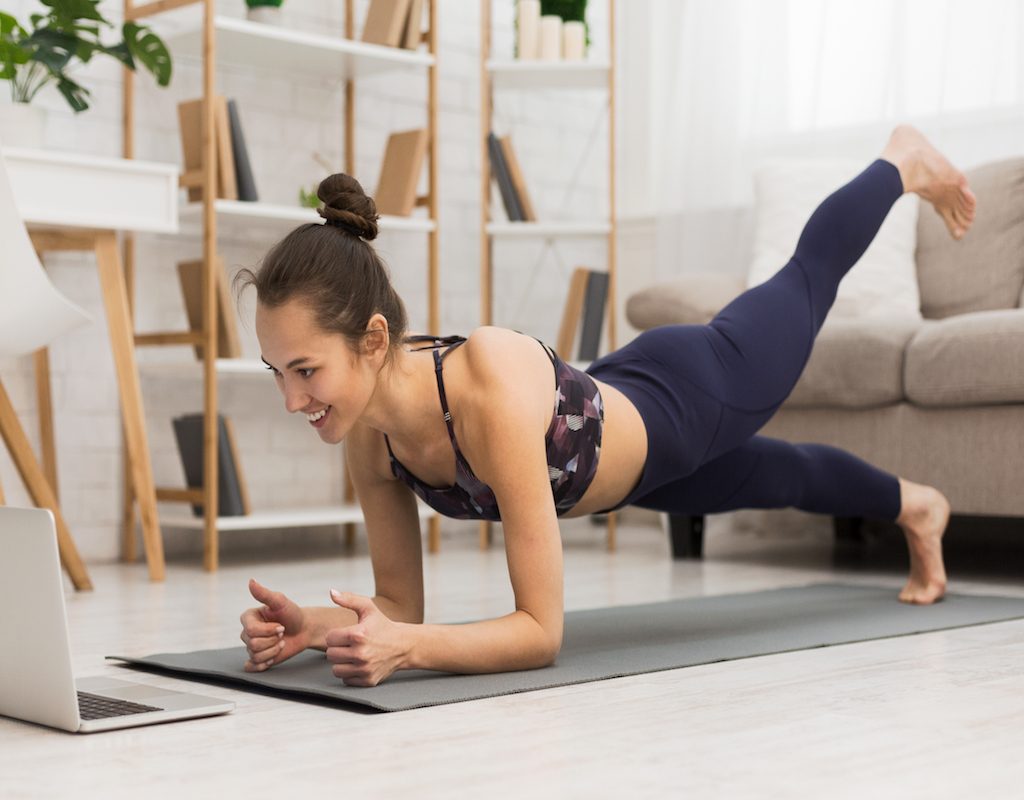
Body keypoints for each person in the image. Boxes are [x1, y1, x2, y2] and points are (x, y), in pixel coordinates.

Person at [237, 125, 976, 687]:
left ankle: (900, 161)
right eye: (277, 371)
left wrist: (409, 651)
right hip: (631, 439)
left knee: (806, 278)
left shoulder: (482, 385)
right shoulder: (370, 436)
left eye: (306, 370)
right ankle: (917, 506)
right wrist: (312, 627)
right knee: (780, 475)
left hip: (690, 392)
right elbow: (399, 605)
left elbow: (540, 633)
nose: (291, 399)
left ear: (372, 340)